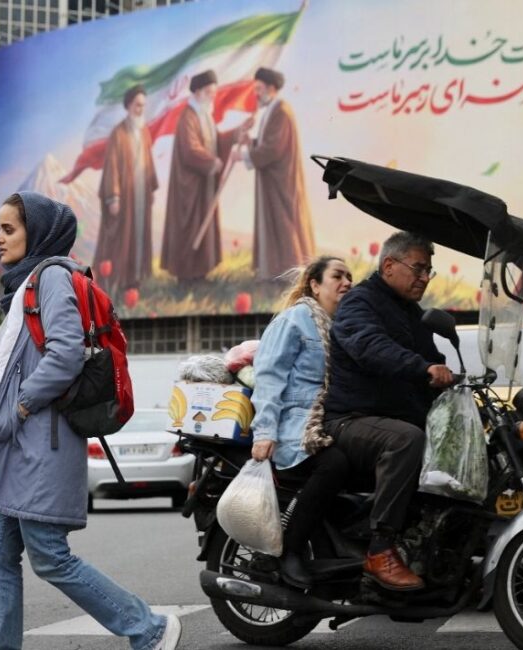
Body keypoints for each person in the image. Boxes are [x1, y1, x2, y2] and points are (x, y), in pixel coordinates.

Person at [0, 191, 181, 650]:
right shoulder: (22, 286)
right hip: (15, 446)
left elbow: (65, 354)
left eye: (8, 229)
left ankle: (149, 628)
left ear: (38, 232)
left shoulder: (51, 277)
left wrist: (22, 405)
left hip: (42, 441)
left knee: (49, 556)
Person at [322, 231, 456, 592]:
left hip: (386, 419)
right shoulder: (359, 303)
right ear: (389, 265)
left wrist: (454, 383)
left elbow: (432, 357)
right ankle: (380, 549)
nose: (425, 278)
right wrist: (424, 369)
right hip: (350, 420)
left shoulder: (410, 313)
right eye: (418, 269)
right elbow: (370, 347)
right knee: (406, 440)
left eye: (429, 271)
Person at [250, 256, 353, 588]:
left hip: (329, 422)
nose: (347, 282)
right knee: (334, 464)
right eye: (338, 276)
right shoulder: (295, 320)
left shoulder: (341, 327)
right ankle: (289, 550)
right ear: (315, 284)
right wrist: (265, 433)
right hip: (294, 427)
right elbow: (269, 377)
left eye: (350, 277)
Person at [160, 70, 253, 281]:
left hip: (203, 185)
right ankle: (186, 277)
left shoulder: (204, 116)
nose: (213, 96)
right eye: (209, 92)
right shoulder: (188, 117)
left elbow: (217, 141)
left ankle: (200, 274)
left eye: (213, 92)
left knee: (203, 226)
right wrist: (211, 162)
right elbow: (190, 149)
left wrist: (237, 132)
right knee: (189, 228)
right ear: (198, 92)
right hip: (189, 187)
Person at [237, 68, 315, 280]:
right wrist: (251, 142)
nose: (256, 94)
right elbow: (268, 142)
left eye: (259, 89)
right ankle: (276, 273)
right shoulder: (272, 109)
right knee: (275, 224)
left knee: (284, 225)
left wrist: (243, 155)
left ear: (271, 88)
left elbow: (273, 148)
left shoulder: (281, 111)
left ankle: (289, 275)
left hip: (281, 180)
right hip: (273, 178)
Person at [96, 83, 159, 291]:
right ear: (129, 106)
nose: (140, 109)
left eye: (143, 105)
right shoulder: (118, 133)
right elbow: (112, 166)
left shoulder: (144, 131)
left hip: (141, 193)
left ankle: (137, 277)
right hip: (125, 195)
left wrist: (151, 187)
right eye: (137, 105)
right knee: (123, 237)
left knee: (140, 233)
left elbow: (149, 161)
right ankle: (120, 280)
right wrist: (113, 196)